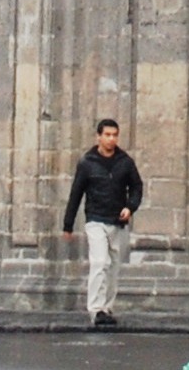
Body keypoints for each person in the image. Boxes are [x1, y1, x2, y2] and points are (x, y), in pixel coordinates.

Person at [58, 118, 143, 330]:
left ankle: (107, 308)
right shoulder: (87, 163)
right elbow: (76, 194)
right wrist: (68, 225)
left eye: (115, 135)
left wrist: (130, 207)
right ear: (98, 136)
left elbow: (137, 187)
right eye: (107, 135)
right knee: (99, 262)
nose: (111, 139)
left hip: (117, 221)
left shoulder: (125, 162)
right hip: (95, 219)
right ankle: (95, 309)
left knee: (113, 266)